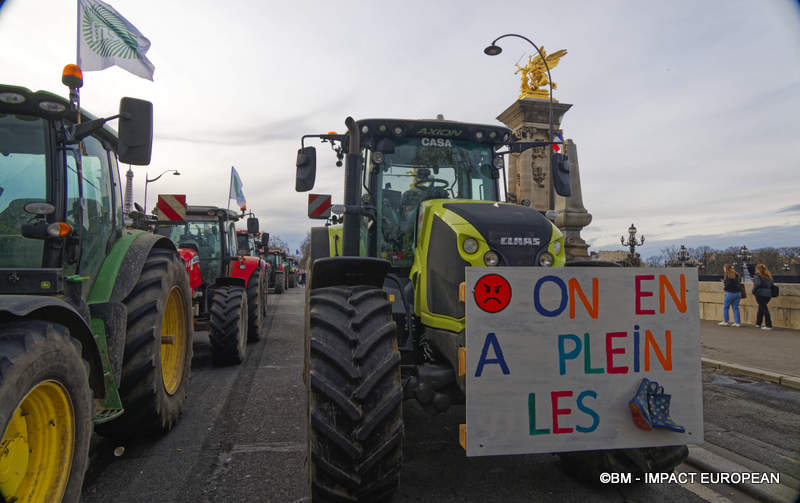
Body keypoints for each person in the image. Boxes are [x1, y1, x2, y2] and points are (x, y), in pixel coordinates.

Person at [752, 263, 774, 330]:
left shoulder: (757, 276)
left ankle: (768, 325)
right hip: (768, 294)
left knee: (764, 309)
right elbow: (772, 284)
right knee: (761, 308)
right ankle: (758, 323)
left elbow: (757, 284)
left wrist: (753, 291)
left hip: (760, 294)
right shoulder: (769, 276)